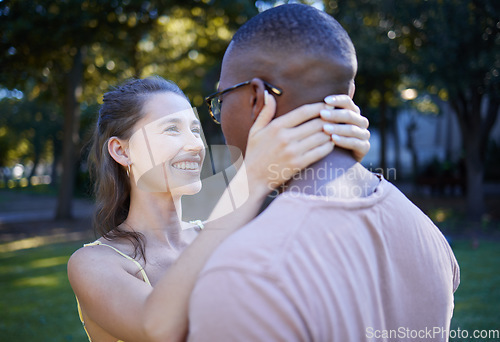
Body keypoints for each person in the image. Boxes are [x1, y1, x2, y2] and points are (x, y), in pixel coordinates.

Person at [188, 4, 460, 342]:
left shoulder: (246, 274)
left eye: (220, 98)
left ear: (258, 98)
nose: (218, 113)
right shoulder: (427, 233)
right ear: (348, 98)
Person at [67, 76, 371, 342]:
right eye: (171, 129)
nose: (196, 145)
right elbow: (157, 328)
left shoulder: (224, 238)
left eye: (196, 130)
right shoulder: (93, 263)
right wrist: (251, 178)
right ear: (121, 150)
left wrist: (338, 157)